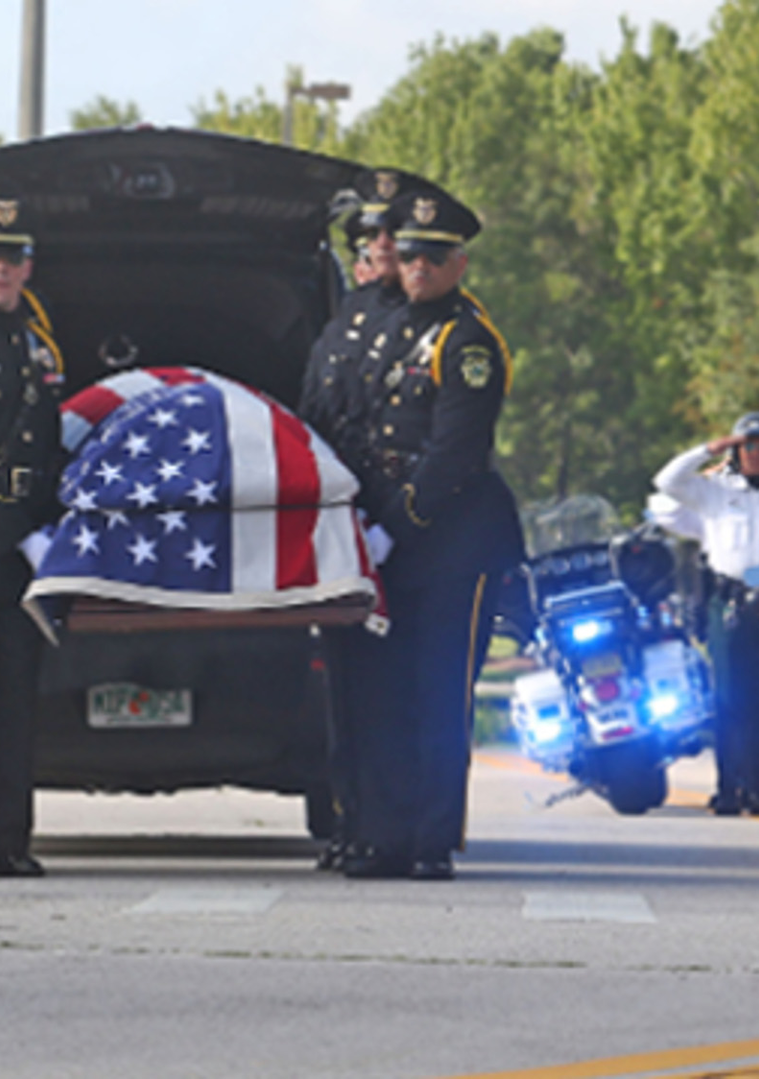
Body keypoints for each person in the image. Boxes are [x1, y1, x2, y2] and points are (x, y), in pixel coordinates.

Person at [344, 186, 524, 881]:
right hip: (390, 529)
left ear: (459, 264)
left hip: (449, 540)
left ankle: (429, 839)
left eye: (434, 257)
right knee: (385, 690)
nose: (418, 267)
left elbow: (456, 452)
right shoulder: (396, 331)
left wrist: (397, 522)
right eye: (410, 254)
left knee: (439, 690)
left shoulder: (469, 339)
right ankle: (386, 834)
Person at [298, 169, 413, 871]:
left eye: (384, 247)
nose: (374, 259)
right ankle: (354, 821)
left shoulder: (423, 326)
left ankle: (395, 829)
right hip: (346, 524)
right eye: (366, 249)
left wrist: (392, 522)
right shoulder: (343, 329)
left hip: (396, 526)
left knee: (392, 689)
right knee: (346, 687)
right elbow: (317, 416)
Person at [653, 411, 759, 817]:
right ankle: (728, 788)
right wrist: (711, 450)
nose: (756, 454)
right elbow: (666, 483)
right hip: (729, 603)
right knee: (728, 699)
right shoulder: (714, 491)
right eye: (747, 447)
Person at [0, 194, 67, 877]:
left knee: (13, 698)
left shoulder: (37, 343)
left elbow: (45, 446)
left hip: (16, 548)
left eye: (13, 256)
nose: (1, 267)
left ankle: (8, 839)